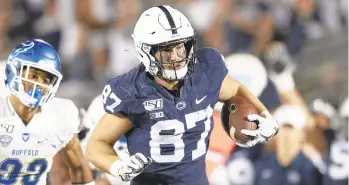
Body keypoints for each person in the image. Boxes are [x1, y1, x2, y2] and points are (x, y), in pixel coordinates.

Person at [86, 5, 279, 185]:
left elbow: (235, 90)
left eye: (180, 47)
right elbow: (96, 145)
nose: (177, 57)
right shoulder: (133, 91)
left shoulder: (204, 72)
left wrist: (264, 115)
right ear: (146, 51)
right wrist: (118, 166)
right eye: (166, 51)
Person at [0, 39, 94, 185]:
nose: (39, 85)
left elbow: (78, 168)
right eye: (33, 76)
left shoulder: (59, 115)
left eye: (46, 80)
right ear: (14, 71)